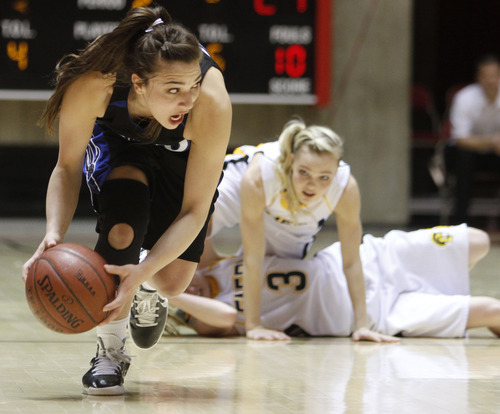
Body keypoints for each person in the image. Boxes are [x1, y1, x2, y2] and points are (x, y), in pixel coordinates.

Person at [21, 5, 232, 396]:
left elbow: (195, 210)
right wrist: (53, 234)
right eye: (172, 90)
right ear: (137, 83)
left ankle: (146, 288)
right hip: (122, 147)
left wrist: (146, 269)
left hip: (180, 155)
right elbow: (66, 168)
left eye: (192, 88)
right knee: (122, 228)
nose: (186, 100)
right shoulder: (95, 83)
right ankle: (110, 353)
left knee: (170, 281)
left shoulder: (211, 105)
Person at [199, 119, 396, 342]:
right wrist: (254, 326)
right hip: (241, 185)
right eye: (304, 172)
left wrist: (362, 325)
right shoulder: (258, 177)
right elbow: (253, 257)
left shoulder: (345, 188)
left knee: (276, 272)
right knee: (193, 221)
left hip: (290, 211)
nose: (312, 185)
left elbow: (351, 260)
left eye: (324, 177)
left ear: (336, 171)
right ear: (291, 162)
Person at [170, 224, 498, 339]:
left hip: (371, 260)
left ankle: (442, 281)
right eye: (179, 289)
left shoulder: (211, 262)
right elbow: (227, 318)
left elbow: (203, 220)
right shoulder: (204, 319)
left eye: (182, 279)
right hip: (374, 314)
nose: (189, 286)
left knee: (478, 241)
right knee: (492, 310)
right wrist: (169, 293)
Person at [449, 54, 500, 224]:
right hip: (471, 155)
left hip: (496, 154)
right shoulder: (465, 98)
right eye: (486, 76)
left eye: (495, 75)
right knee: (463, 157)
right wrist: (492, 141)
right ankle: (459, 221)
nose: (491, 81)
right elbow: (460, 139)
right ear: (478, 78)